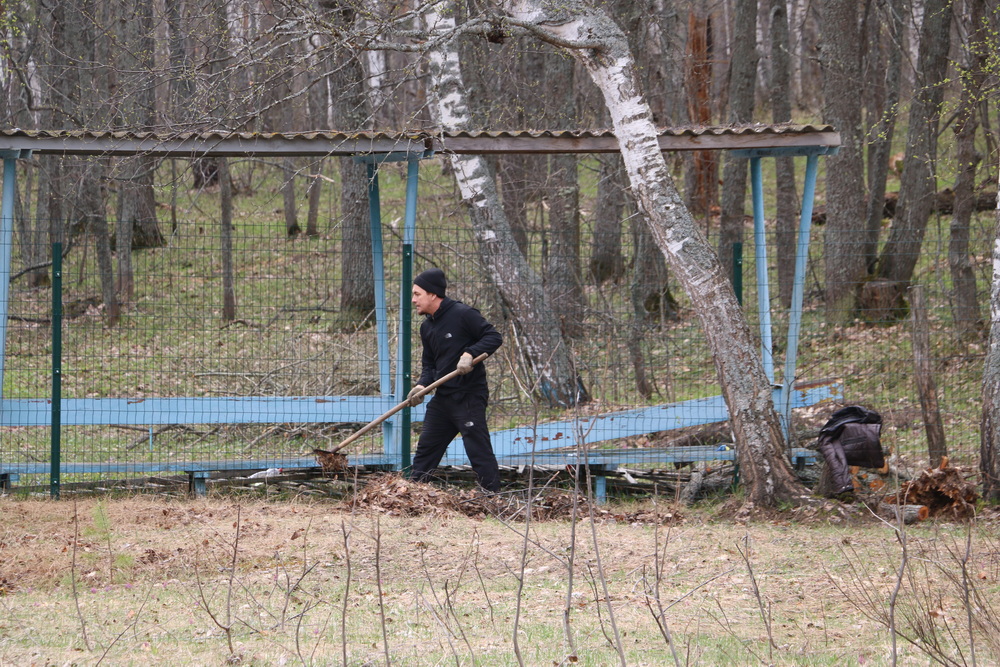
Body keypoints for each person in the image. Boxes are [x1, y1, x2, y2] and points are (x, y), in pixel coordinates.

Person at [407, 268, 503, 492]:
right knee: (426, 450)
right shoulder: (427, 327)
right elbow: (429, 364)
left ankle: (492, 498)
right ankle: (411, 495)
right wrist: (421, 386)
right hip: (443, 399)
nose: (414, 300)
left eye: (417, 294)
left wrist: (470, 354)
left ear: (433, 294)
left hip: (468, 396)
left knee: (477, 449)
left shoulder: (462, 314)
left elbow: (493, 336)